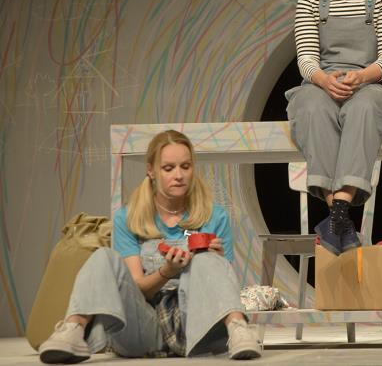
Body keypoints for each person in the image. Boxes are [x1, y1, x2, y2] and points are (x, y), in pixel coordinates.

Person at [38, 130, 262, 363]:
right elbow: (139, 289)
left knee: (208, 259)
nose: (179, 175)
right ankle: (73, 329)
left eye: (185, 167)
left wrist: (218, 260)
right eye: (168, 168)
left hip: (193, 326)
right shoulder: (128, 218)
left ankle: (239, 329)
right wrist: (167, 272)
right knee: (103, 256)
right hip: (142, 327)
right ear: (151, 171)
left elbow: (223, 291)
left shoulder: (215, 216)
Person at [286, 0, 382, 255]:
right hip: (322, 82)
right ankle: (340, 217)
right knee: (309, 107)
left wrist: (362, 76)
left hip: (368, 82)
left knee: (364, 107)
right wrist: (323, 80)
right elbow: (306, 58)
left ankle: (338, 210)